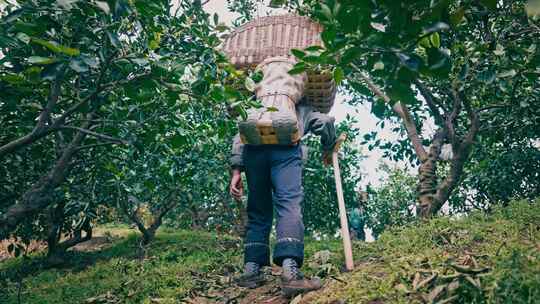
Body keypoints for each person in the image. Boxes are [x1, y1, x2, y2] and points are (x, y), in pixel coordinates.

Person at [229, 102, 337, 297]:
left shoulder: (258, 100)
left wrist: (236, 169)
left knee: (258, 208)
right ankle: (290, 273)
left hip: (253, 153)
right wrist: (328, 147)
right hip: (286, 151)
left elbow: (241, 133)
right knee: (288, 204)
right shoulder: (299, 104)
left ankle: (251, 271)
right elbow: (325, 122)